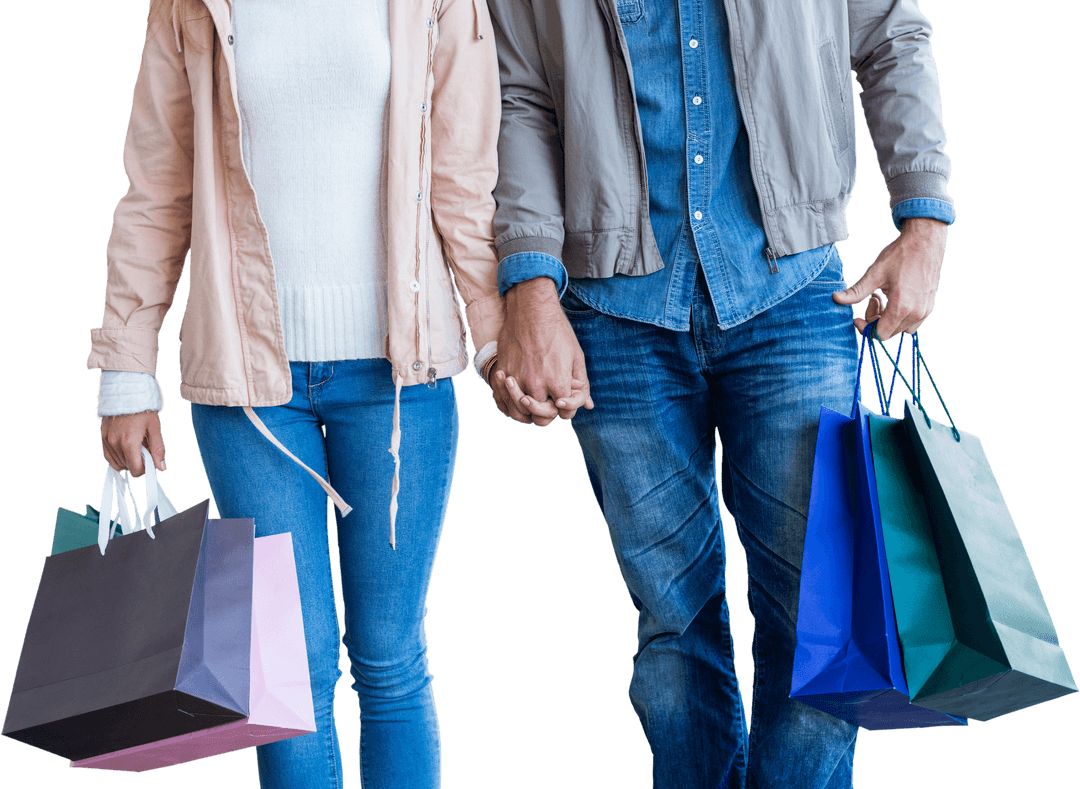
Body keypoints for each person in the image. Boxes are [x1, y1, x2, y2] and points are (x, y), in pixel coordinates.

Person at [485, 1, 952, 787]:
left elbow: (890, 33)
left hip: (792, 290)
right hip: (614, 306)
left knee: (825, 618)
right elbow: (516, 91)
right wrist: (530, 281)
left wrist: (924, 217)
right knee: (673, 631)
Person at [88, 1, 505, 788]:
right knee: (288, 668)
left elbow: (464, 179)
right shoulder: (188, 5)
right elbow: (157, 183)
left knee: (390, 656)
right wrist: (125, 367)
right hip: (248, 389)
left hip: (398, 379)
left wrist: (493, 335)